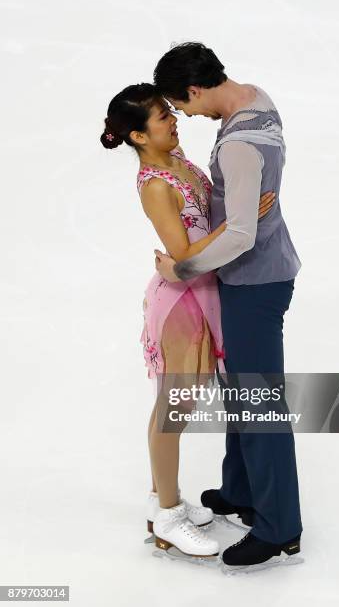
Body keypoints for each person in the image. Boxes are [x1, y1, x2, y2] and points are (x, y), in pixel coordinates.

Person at [100, 83, 275, 558]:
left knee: (183, 402)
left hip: (205, 293)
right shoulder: (156, 183)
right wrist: (238, 225)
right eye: (162, 117)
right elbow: (181, 254)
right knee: (175, 407)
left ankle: (164, 499)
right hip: (182, 301)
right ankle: (168, 515)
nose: (174, 120)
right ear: (138, 136)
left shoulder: (178, 161)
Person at [153, 42, 303, 569]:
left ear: (194, 89)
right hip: (263, 271)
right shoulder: (257, 98)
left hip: (254, 282)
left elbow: (239, 237)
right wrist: (248, 199)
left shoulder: (237, 144)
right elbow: (250, 204)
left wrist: (181, 268)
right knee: (241, 389)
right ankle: (240, 491)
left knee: (259, 404)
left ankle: (279, 526)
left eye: (184, 105)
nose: (187, 116)